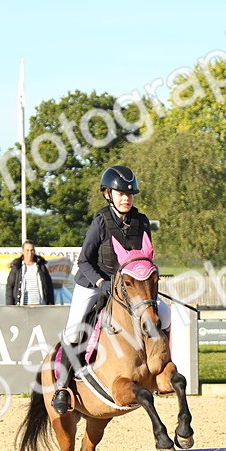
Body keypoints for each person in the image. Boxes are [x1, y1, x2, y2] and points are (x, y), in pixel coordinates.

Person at [53, 165, 163, 414]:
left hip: (129, 287)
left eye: (130, 194)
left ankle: (160, 369)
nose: (126, 198)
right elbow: (83, 260)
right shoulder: (101, 221)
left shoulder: (141, 221)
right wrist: (101, 283)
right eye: (120, 193)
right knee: (73, 331)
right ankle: (62, 388)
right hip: (94, 283)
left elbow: (145, 257)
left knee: (162, 315)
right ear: (107, 194)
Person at [6, 241, 55, 306]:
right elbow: (9, 286)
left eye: (32, 250)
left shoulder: (41, 266)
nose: (30, 253)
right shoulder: (17, 267)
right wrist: (10, 306)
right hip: (22, 306)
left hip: (39, 305)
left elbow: (49, 285)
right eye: (27, 250)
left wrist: (50, 304)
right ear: (23, 252)